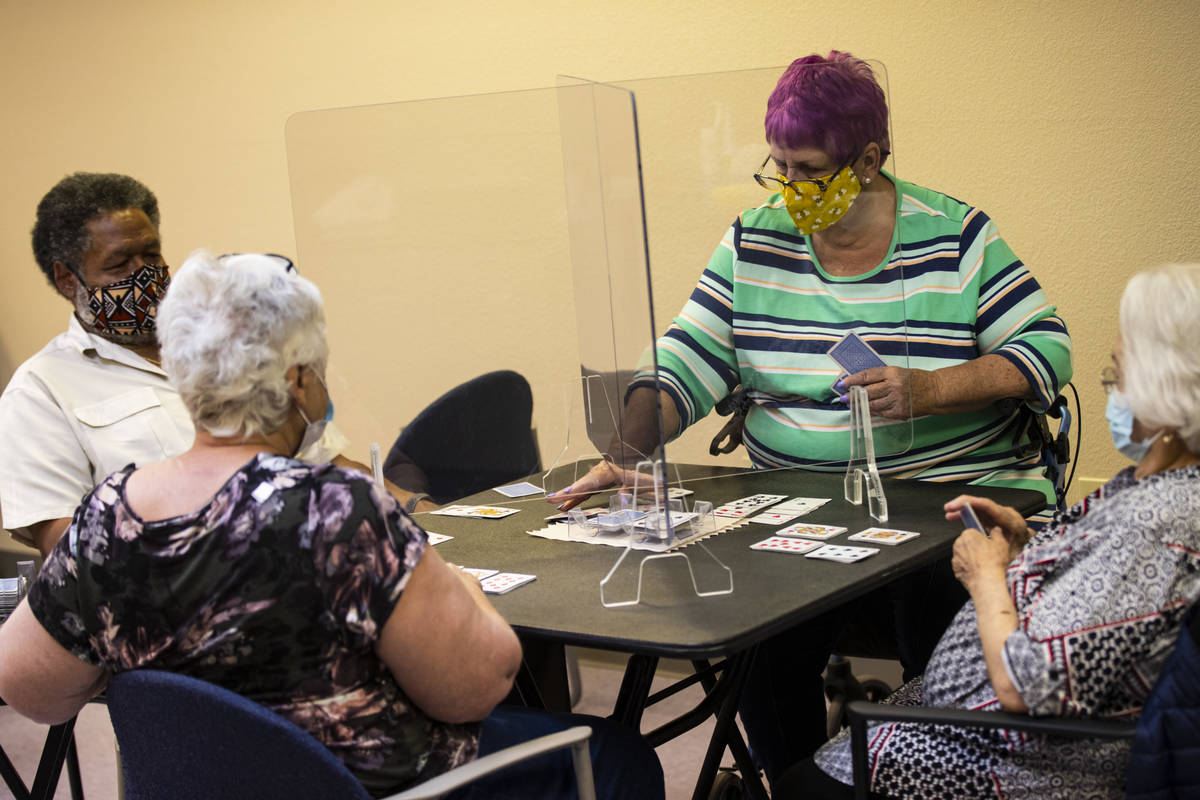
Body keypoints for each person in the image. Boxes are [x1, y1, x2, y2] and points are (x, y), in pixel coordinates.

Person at [547, 50, 1073, 788]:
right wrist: (628, 446)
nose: (790, 190)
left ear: (867, 159)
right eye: (778, 168)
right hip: (804, 499)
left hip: (950, 490)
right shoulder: (754, 239)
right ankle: (798, 783)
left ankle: (919, 776)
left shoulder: (957, 234)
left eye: (808, 171)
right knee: (759, 644)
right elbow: (688, 357)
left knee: (941, 641)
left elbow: (1046, 349)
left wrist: (932, 389)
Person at [0, 252, 664, 800]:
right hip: (378, 789)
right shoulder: (336, 508)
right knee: (619, 756)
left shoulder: (107, 517)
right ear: (297, 382)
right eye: (318, 370)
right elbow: (474, 688)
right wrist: (461, 591)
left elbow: (29, 688)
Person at [774, 262, 1200, 799]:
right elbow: (1104, 596)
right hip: (978, 724)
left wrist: (988, 577)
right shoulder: (1162, 486)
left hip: (1011, 760)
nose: (1112, 391)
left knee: (800, 786)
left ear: (1170, 390)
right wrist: (1028, 547)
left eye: (1118, 375)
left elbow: (1029, 689)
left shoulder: (1159, 524)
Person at [0, 172, 431, 558]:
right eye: (119, 264)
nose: (144, 274)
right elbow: (64, 544)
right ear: (67, 279)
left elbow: (320, 457)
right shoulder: (41, 391)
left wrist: (414, 507)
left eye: (151, 255)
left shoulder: (220, 346)